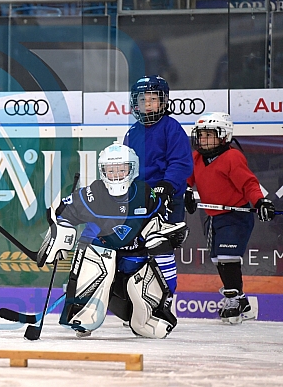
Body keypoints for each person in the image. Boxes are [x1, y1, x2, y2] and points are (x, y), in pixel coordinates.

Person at [37, 143, 189, 339]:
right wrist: (61, 234)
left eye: (121, 169)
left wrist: (163, 236)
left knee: (153, 325)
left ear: (131, 169)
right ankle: (82, 313)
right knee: (93, 259)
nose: (116, 174)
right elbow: (60, 211)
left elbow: (158, 220)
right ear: (102, 171)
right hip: (101, 253)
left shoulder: (144, 193)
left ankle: (150, 312)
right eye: (111, 170)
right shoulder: (93, 193)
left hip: (135, 256)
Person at [185, 112, 274, 324]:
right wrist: (186, 191)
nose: (203, 140)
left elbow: (249, 184)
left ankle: (232, 299)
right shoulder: (196, 157)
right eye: (201, 135)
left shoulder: (232, 157)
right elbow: (186, 178)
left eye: (209, 135)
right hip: (213, 218)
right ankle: (242, 301)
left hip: (235, 215)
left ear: (224, 136)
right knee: (218, 260)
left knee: (227, 258)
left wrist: (260, 201)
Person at [123, 75, 193, 296]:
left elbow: (181, 162)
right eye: (143, 100)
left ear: (163, 102)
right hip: (139, 201)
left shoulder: (171, 128)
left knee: (161, 249)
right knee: (135, 249)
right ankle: (137, 300)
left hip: (167, 200)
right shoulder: (132, 132)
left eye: (153, 99)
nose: (148, 104)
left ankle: (163, 298)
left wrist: (167, 185)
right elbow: (127, 166)